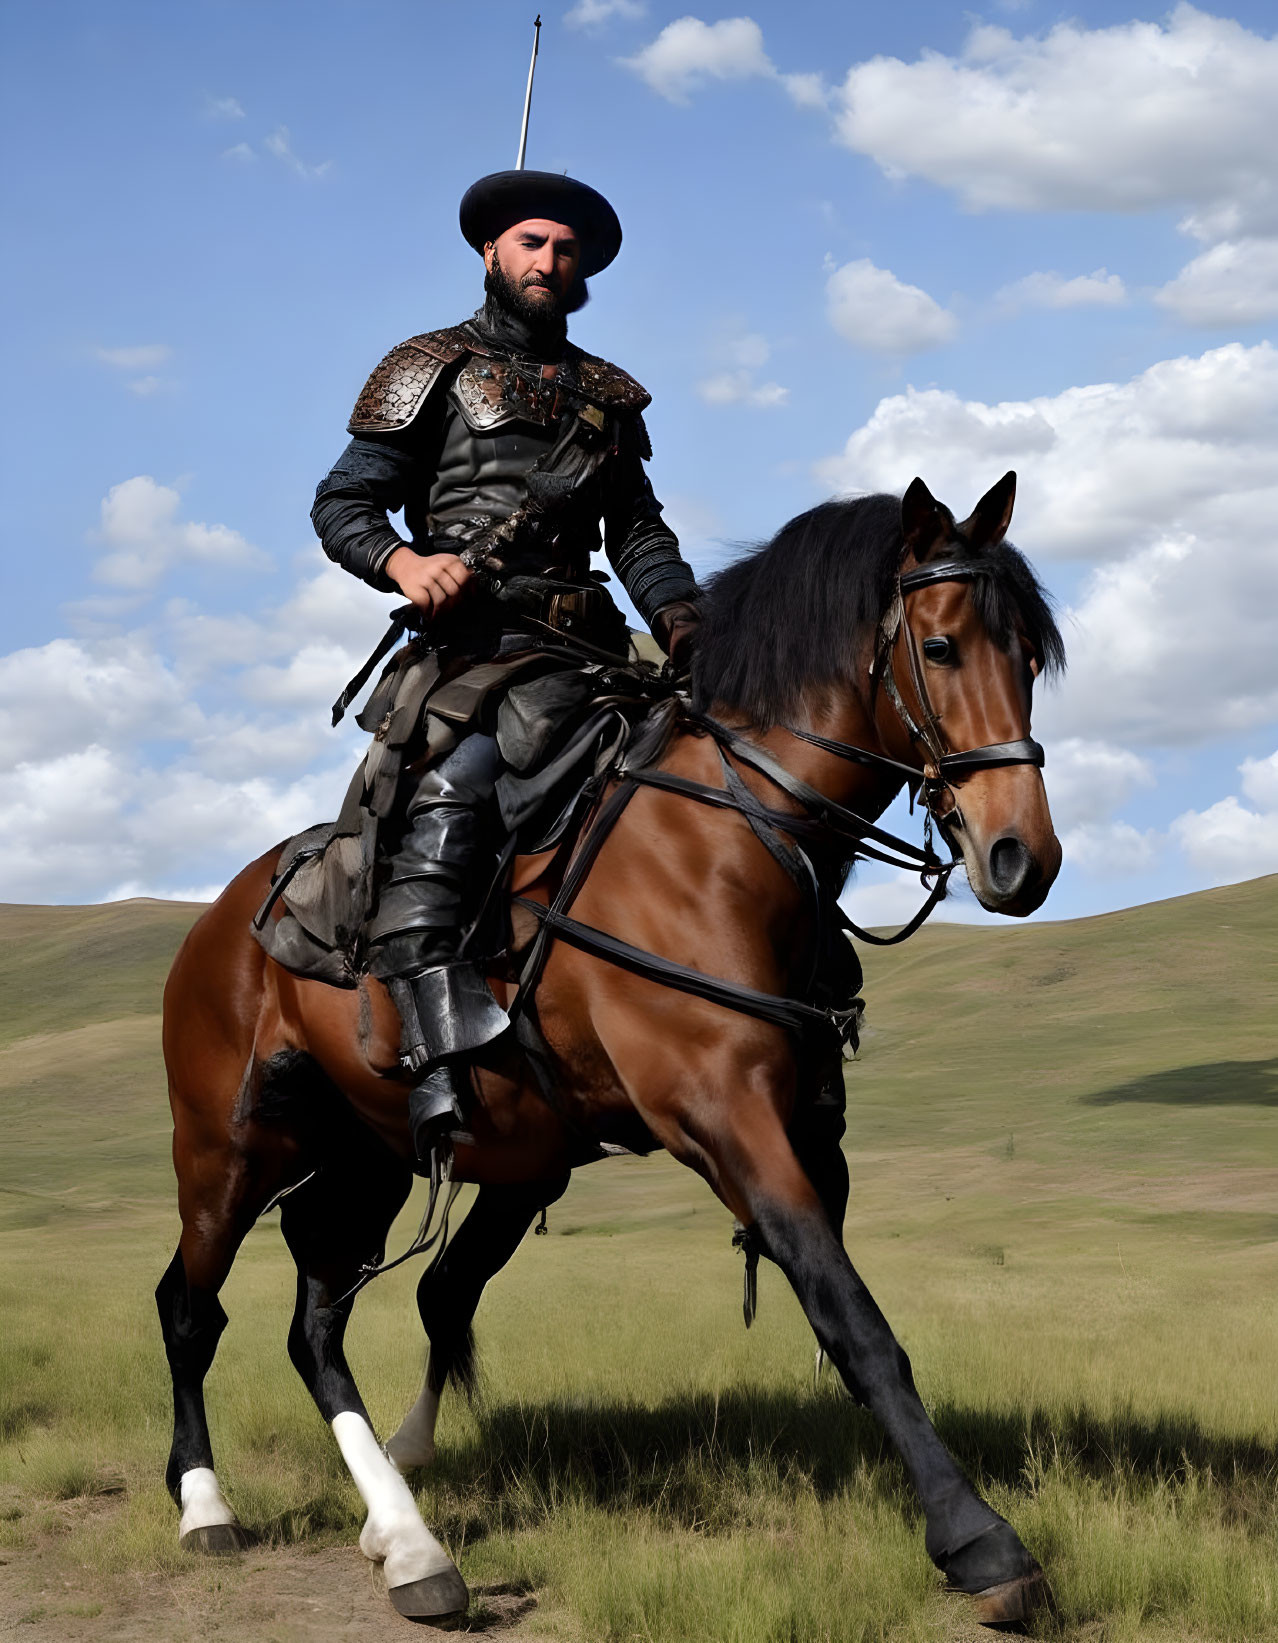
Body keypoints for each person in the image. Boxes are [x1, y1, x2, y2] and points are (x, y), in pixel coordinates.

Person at [311, 169, 700, 1163]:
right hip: (475, 651)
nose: (549, 261)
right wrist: (405, 559)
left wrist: (686, 618)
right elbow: (343, 503)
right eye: (533, 243)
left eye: (567, 251)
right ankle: (435, 1064)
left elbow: (638, 532)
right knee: (454, 796)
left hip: (593, 652)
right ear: (492, 252)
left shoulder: (607, 396)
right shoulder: (427, 366)